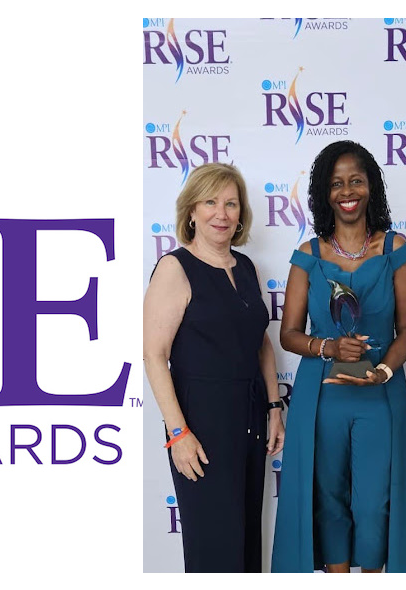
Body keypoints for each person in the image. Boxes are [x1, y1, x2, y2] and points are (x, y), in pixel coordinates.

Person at [272, 140, 406, 573]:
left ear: (371, 186)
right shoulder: (308, 255)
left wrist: (383, 370)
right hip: (321, 396)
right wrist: (329, 348)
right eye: (336, 183)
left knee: (375, 505)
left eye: (356, 180)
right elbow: (288, 334)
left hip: (379, 393)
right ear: (325, 193)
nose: (347, 191)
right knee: (328, 501)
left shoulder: (395, 250)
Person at [143, 163, 285, 573]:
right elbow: (154, 355)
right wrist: (178, 433)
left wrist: (274, 407)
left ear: (241, 214)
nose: (221, 214)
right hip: (200, 425)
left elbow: (260, 341)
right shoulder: (175, 268)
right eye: (210, 202)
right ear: (191, 211)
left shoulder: (246, 267)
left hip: (250, 417)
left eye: (231, 204)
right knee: (214, 551)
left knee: (245, 545)